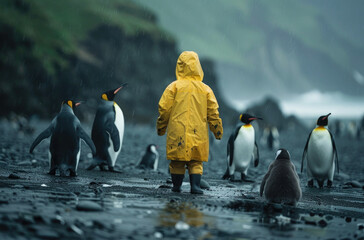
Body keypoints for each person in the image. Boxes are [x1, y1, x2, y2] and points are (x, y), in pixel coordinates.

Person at [156, 51, 223, 194]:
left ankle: (176, 186)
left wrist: (161, 127)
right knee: (196, 162)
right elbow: (213, 112)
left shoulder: (173, 87)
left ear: (180, 66)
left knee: (177, 162)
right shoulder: (206, 89)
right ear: (198, 66)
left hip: (177, 132)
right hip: (198, 133)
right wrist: (217, 131)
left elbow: (164, 109)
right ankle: (195, 186)